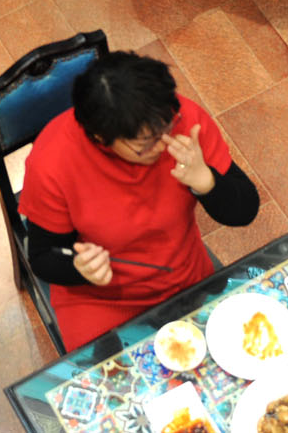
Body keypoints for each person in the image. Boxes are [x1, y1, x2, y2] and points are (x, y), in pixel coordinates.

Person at [17, 51, 259, 349]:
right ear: (100, 138)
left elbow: (246, 210)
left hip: (183, 273)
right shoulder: (53, 162)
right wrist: (79, 268)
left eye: (167, 127)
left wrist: (207, 181)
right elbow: (42, 257)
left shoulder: (180, 120)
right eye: (146, 144)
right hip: (100, 297)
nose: (164, 143)